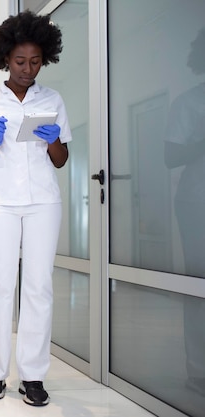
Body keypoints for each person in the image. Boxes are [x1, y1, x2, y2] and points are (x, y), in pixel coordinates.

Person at [0, 11, 71, 407]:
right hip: (1, 203)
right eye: (20, 61)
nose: (28, 69)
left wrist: (54, 139)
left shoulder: (53, 100)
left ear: (45, 58)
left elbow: (61, 160)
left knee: (39, 286)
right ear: (5, 59)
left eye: (35, 62)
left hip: (44, 201)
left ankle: (33, 375)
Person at [164, 27, 205, 397]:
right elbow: (170, 156)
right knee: (200, 285)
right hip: (198, 202)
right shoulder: (191, 102)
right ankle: (199, 369)